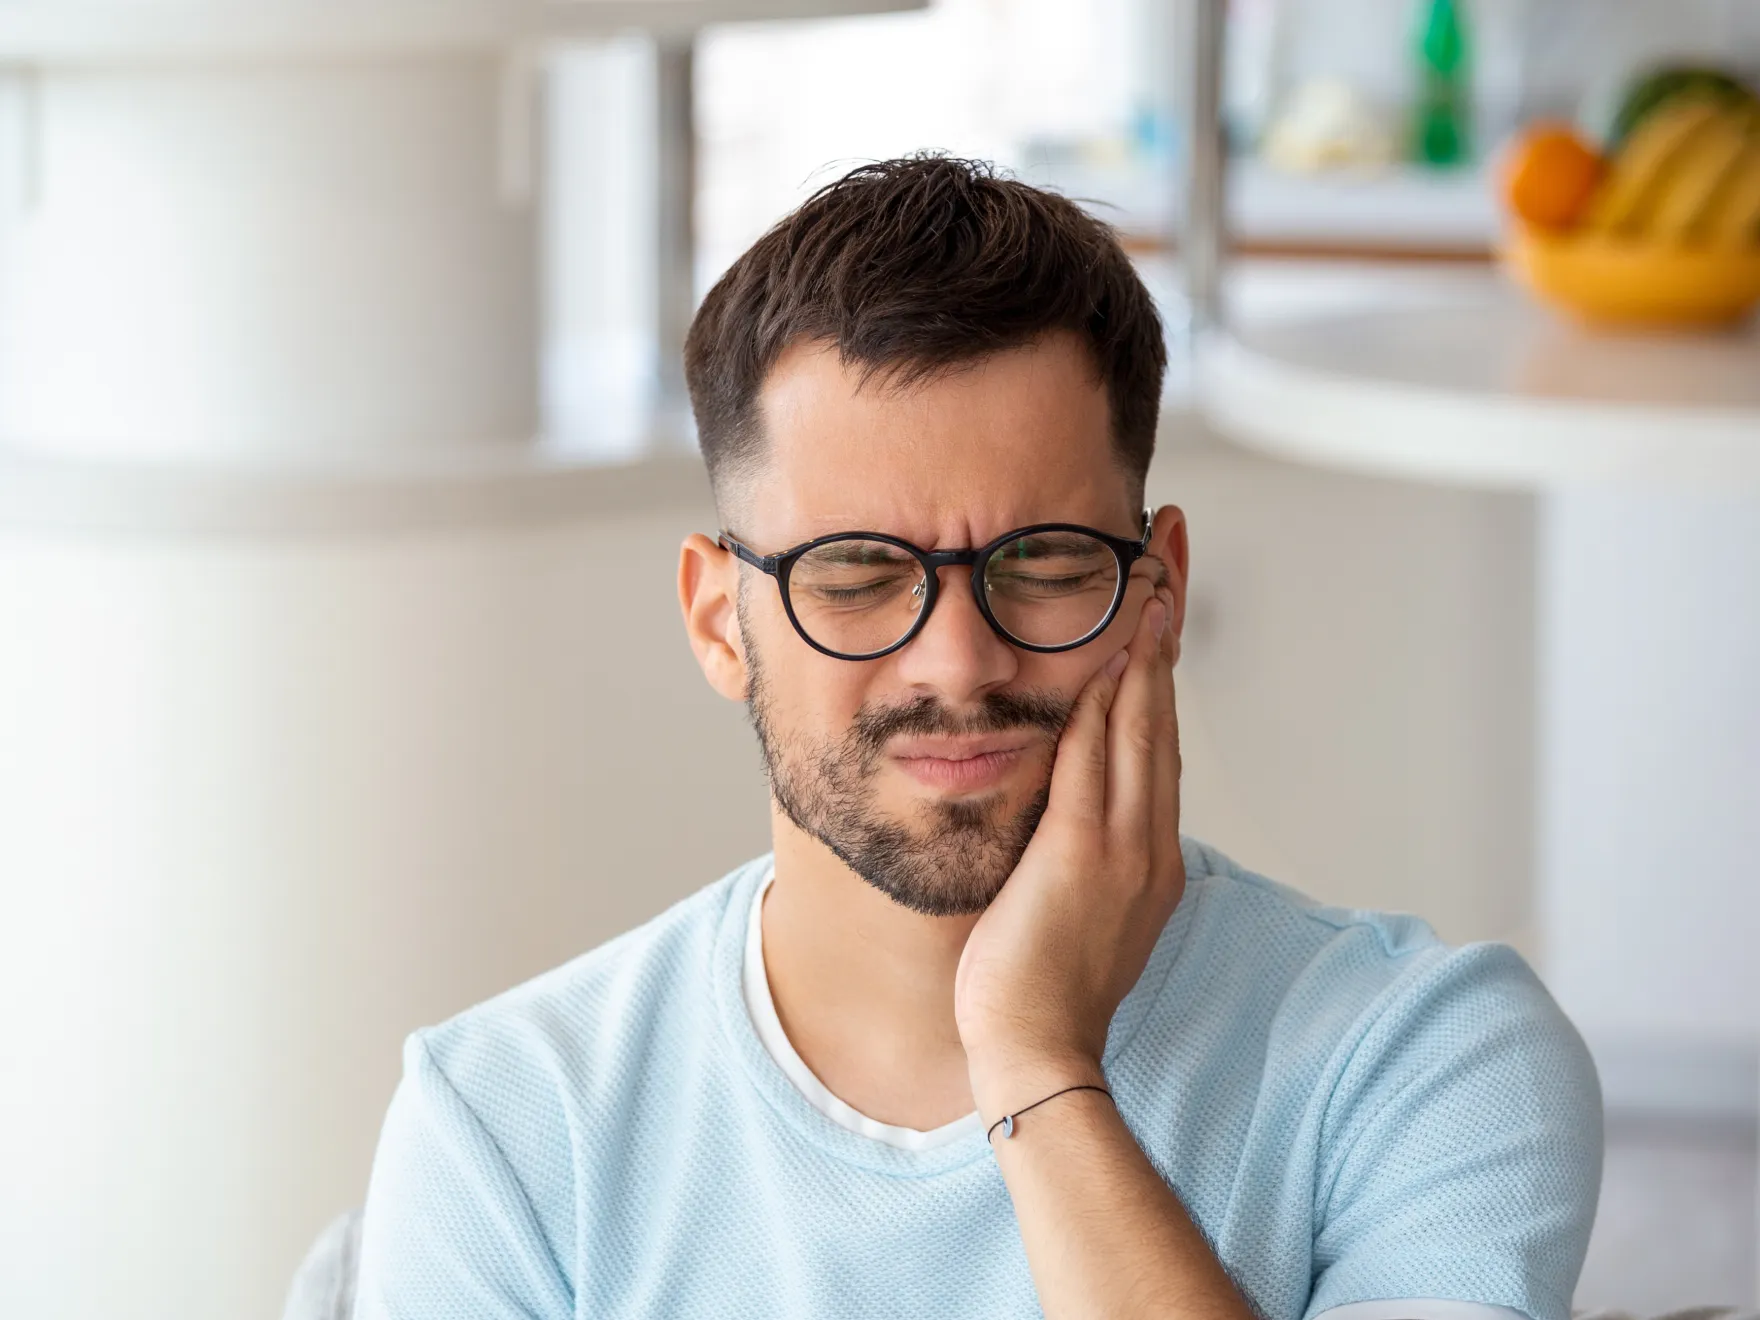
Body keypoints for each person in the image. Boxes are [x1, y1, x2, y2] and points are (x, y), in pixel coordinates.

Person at [353, 155, 1601, 1320]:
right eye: (853, 573)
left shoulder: (1423, 1058)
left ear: (1156, 591)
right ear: (716, 621)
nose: (956, 661)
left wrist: (1032, 1059)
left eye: (1045, 563)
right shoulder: (508, 1128)